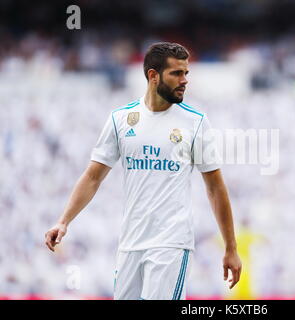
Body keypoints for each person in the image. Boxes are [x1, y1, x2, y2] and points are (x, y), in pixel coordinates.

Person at [45, 42, 242, 300]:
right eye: (177, 73)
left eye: (186, 73)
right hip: (130, 243)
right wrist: (64, 220)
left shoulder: (195, 122)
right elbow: (93, 176)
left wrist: (230, 247)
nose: (184, 80)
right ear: (153, 75)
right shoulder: (121, 119)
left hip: (171, 243)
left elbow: (215, 187)